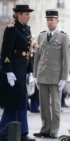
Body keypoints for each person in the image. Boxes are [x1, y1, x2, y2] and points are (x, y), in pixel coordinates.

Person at [33, 9, 70, 139]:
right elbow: (37, 56)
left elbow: (67, 59)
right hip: (42, 75)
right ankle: (45, 129)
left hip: (56, 78)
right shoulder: (41, 36)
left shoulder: (63, 37)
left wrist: (64, 78)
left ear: (57, 21)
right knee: (43, 106)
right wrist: (35, 75)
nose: (49, 22)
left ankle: (54, 130)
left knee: (55, 106)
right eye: (48, 20)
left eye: (52, 20)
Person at [0, 5, 35, 141]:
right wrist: (8, 71)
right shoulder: (11, 29)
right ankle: (7, 131)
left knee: (21, 101)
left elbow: (28, 52)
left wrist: (30, 71)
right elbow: (5, 52)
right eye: (26, 14)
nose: (28, 16)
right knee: (14, 102)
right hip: (13, 69)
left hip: (22, 69)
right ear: (19, 15)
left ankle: (21, 132)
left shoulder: (27, 29)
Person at [28, 37, 40, 113]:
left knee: (37, 93)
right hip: (32, 75)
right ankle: (34, 107)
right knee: (34, 93)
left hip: (37, 75)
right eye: (34, 47)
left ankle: (35, 107)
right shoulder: (32, 55)